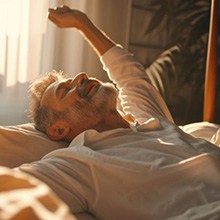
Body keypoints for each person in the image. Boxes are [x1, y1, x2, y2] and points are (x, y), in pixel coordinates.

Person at [16, 5, 220, 220]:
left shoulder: (148, 121)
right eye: (65, 90)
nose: (82, 77)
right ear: (59, 129)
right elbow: (15, 185)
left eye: (76, 78)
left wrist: (83, 24)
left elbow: (130, 75)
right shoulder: (77, 163)